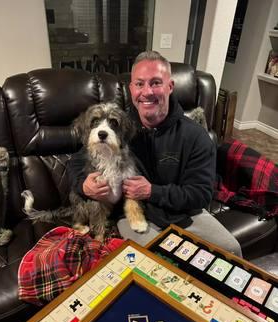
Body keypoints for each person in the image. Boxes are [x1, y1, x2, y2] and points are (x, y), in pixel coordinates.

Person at [67, 51, 242, 256]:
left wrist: (152, 191)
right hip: (132, 214)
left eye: (156, 83)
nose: (147, 92)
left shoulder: (195, 136)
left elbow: (201, 194)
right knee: (155, 261)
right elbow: (77, 162)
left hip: (184, 214)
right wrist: (84, 185)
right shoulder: (118, 126)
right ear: (131, 89)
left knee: (231, 251)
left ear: (170, 86)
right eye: (140, 84)